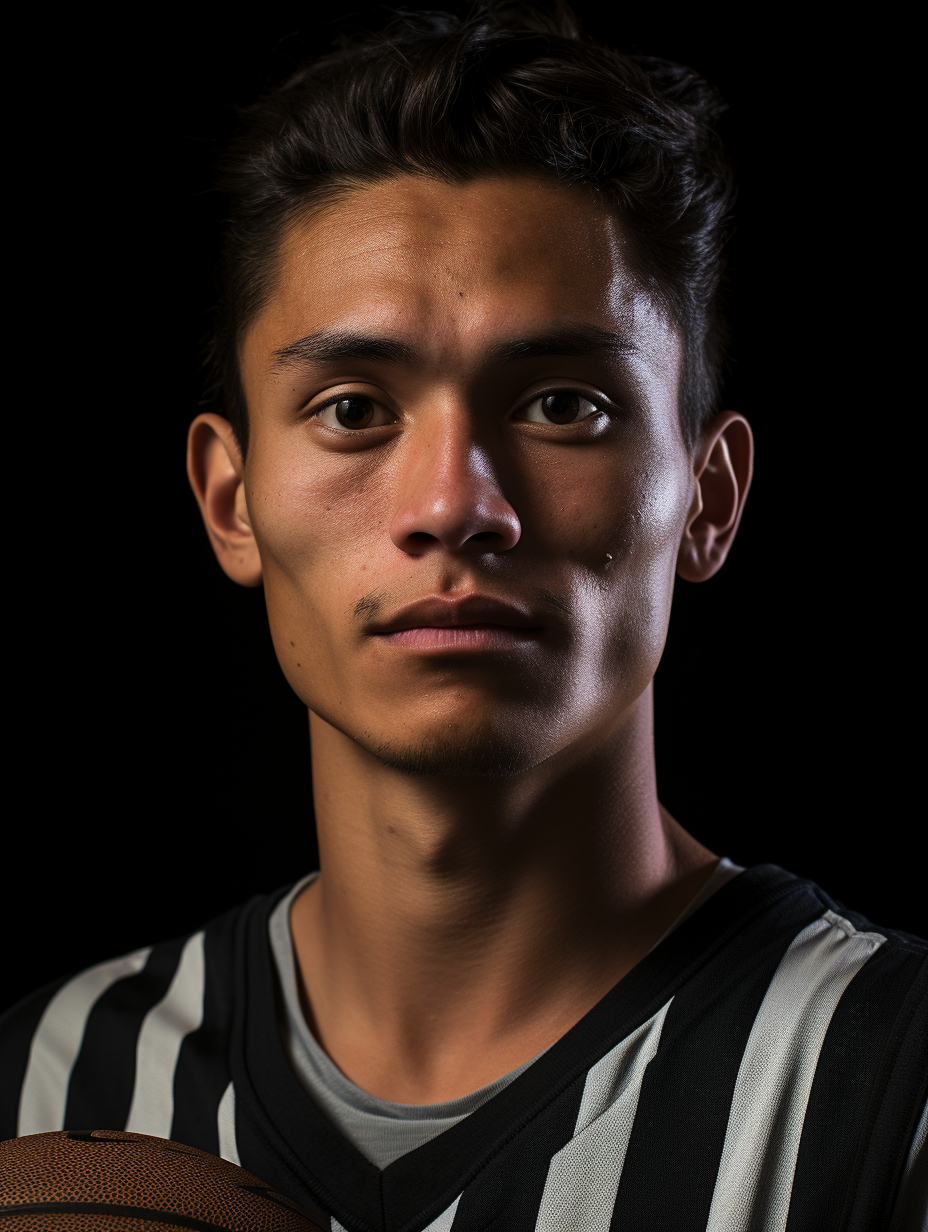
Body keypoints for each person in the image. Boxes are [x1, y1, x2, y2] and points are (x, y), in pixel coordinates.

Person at [2, 4, 925, 1228]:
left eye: (560, 404)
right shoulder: (43, 1080)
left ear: (707, 497)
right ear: (230, 501)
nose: (454, 504)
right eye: (351, 409)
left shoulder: (886, 1073)